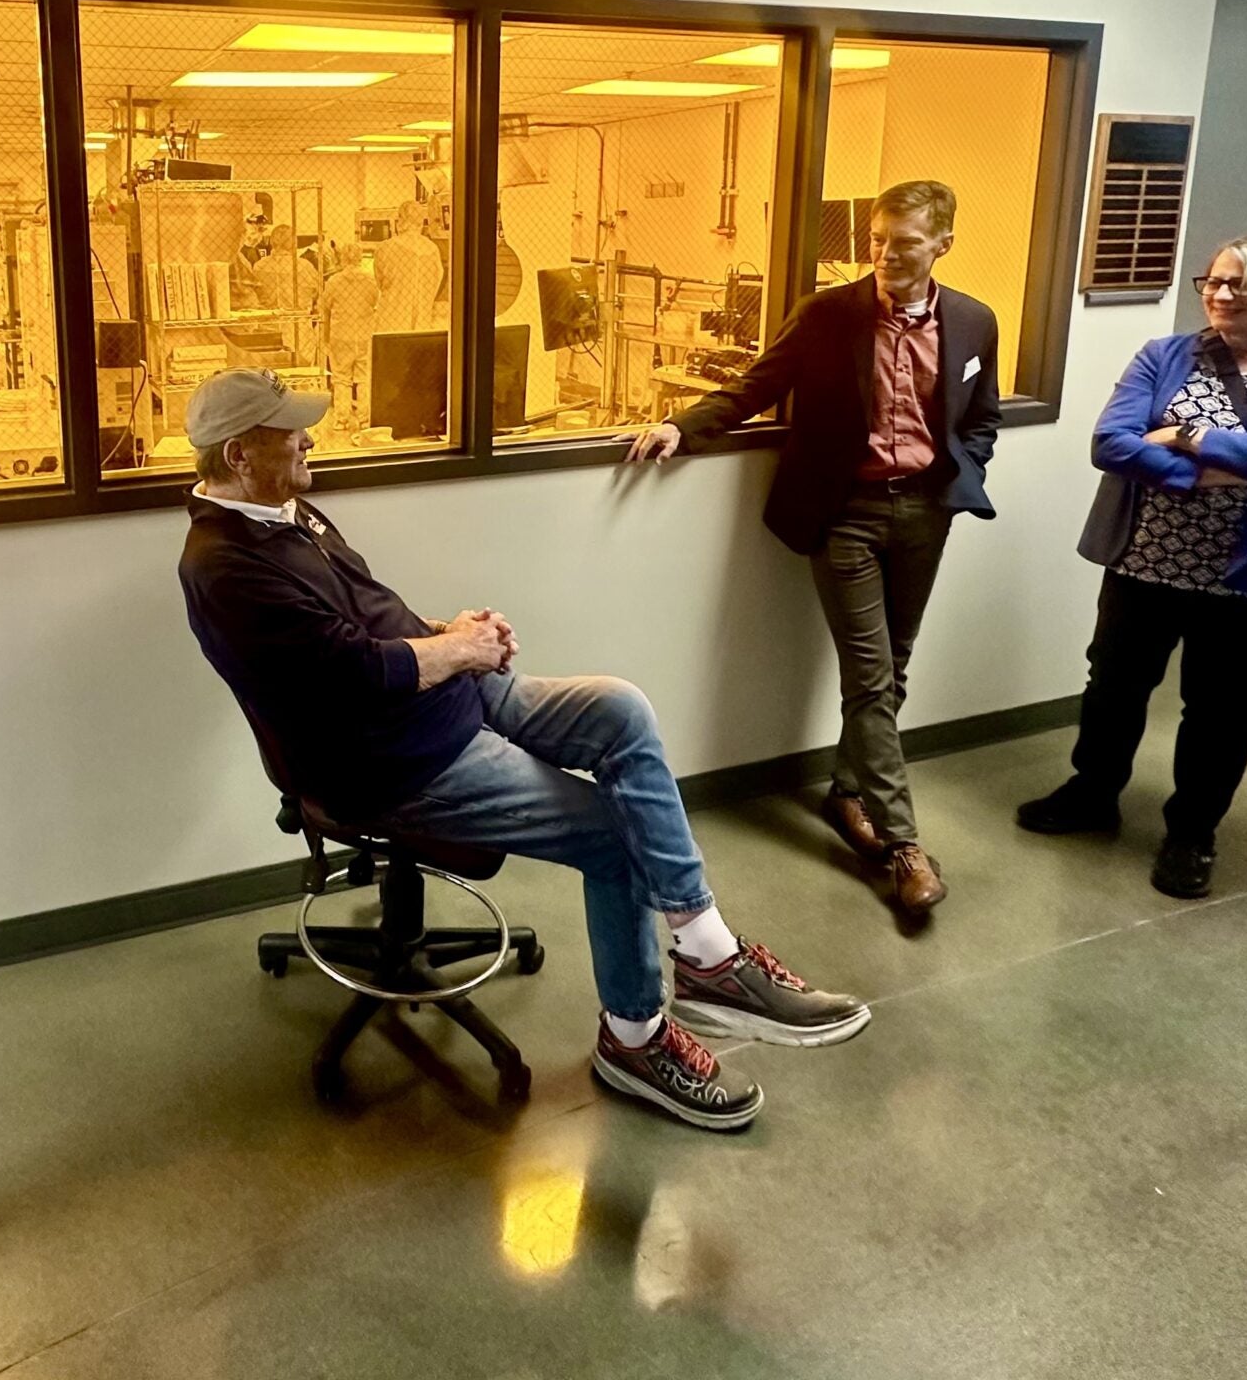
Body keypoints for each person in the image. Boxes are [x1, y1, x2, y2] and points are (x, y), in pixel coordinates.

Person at [177, 367, 869, 1136]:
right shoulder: (226, 567)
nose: (311, 438)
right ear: (240, 455)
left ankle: (706, 949)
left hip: (441, 701)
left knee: (621, 708)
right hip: (398, 763)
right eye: (291, 431)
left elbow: (369, 624)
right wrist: (458, 652)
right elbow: (357, 672)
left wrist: (446, 631)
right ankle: (635, 1040)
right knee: (612, 836)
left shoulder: (286, 511)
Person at [626, 179, 1000, 919]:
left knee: (894, 665)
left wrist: (965, 469)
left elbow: (979, 414)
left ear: (943, 247)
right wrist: (684, 426)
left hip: (926, 512)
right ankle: (903, 846)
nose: (887, 254)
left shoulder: (974, 321)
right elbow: (757, 384)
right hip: (845, 515)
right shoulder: (830, 315)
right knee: (870, 672)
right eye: (877, 241)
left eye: (905, 243)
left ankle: (849, 792)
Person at [1017, 234, 1247, 899]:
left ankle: (1192, 832)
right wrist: (1219, 475)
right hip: (1145, 562)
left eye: (1242, 285)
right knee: (1114, 685)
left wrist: (1188, 436)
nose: (1221, 295)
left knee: (1221, 709)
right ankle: (1093, 792)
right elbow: (1111, 442)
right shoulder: (1165, 355)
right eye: (1214, 281)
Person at [317, 245, 380, 424]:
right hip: (364, 334)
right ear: (360, 258)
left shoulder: (334, 281)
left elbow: (325, 308)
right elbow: (376, 303)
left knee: (341, 378)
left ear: (341, 259)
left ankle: (341, 419)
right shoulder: (370, 281)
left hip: (341, 334)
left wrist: (325, 337)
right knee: (363, 377)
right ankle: (364, 418)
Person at [373, 199, 446, 336]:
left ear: (400, 219)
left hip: (391, 322)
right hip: (422, 324)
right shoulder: (432, 249)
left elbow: (380, 283)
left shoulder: (385, 248)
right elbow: (437, 281)